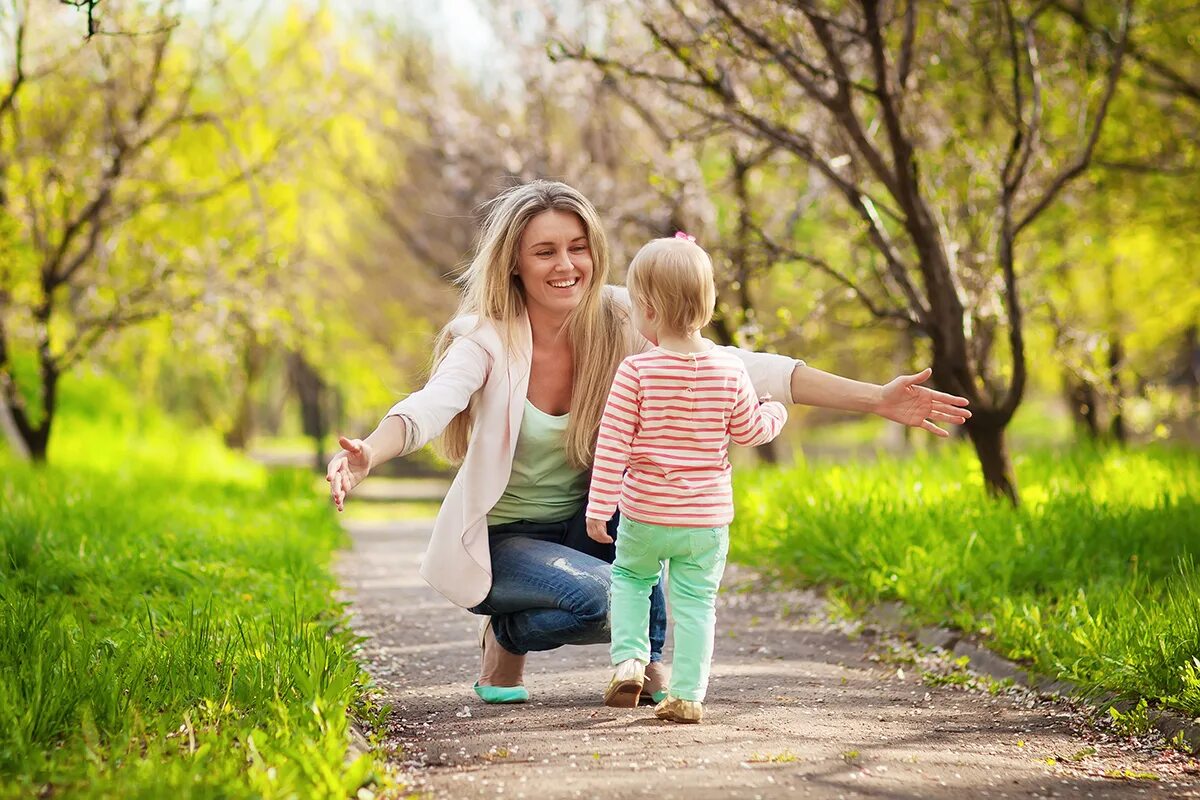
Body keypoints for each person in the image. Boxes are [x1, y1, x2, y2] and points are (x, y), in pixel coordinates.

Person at [326, 180, 971, 706]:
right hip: (504, 542)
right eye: (545, 251)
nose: (566, 265)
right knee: (609, 598)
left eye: (577, 247)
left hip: (589, 527)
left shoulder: (623, 317)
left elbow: (751, 368)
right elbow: (429, 407)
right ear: (515, 262)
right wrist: (368, 455)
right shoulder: (485, 338)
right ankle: (510, 630)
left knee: (630, 585)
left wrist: (877, 399)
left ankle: (526, 638)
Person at [584, 233, 786, 723]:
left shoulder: (635, 372)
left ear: (649, 309)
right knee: (697, 604)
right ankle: (687, 695)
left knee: (631, 579)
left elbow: (611, 444)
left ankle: (631, 660)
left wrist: (598, 508)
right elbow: (750, 430)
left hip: (646, 513)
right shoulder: (731, 370)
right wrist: (776, 410)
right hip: (705, 520)